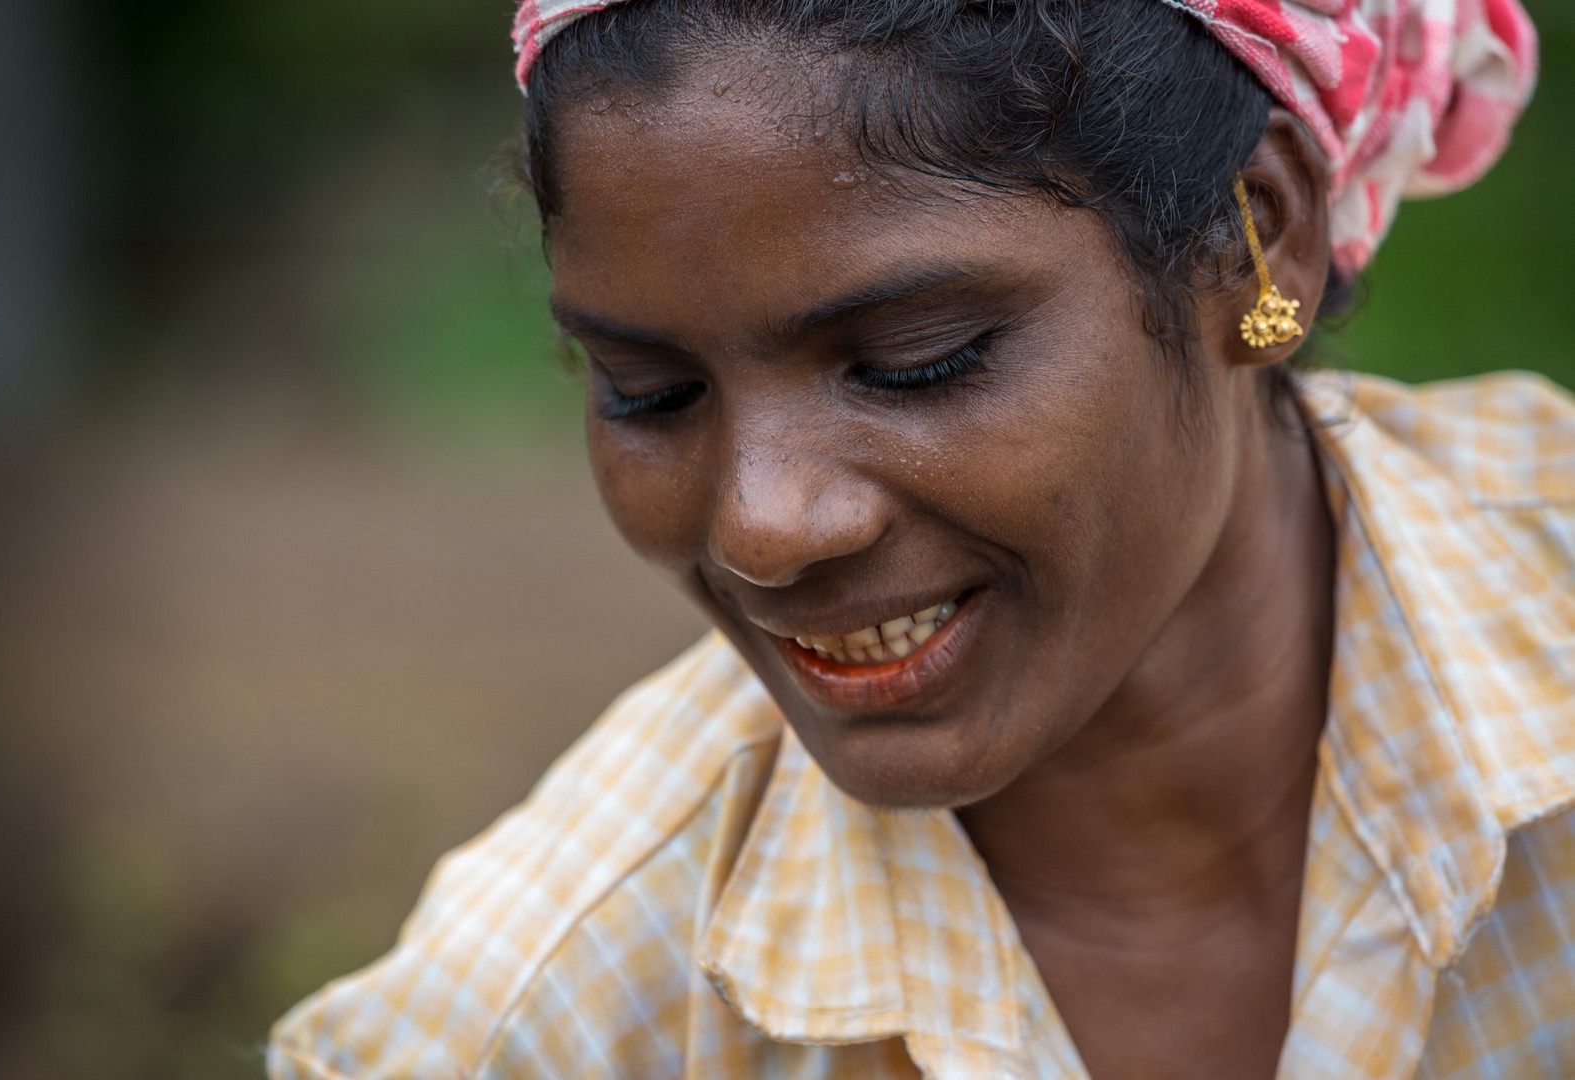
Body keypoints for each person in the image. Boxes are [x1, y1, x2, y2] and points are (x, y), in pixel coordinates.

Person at [267, 0, 1572, 1076]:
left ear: (1260, 236)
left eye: (914, 361)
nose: (765, 527)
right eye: (648, 393)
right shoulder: (535, 1024)